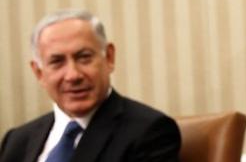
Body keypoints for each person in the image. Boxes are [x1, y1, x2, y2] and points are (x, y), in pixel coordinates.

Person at [0, 9, 181, 162]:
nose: (73, 75)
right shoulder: (17, 141)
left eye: (84, 57)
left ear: (109, 57)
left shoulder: (150, 131)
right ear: (39, 73)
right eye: (57, 62)